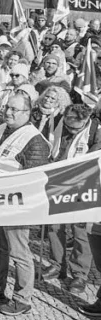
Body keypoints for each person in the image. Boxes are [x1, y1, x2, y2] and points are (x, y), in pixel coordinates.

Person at [0, 89, 51, 316]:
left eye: (15, 109)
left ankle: (22, 298)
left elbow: (35, 180)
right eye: (7, 107)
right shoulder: (2, 128)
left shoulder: (35, 140)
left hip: (16, 206)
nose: (8, 112)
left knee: (19, 253)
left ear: (28, 112)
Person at [42, 103, 100, 295]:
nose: (70, 130)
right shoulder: (56, 122)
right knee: (54, 226)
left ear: (85, 121)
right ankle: (57, 264)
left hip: (83, 184)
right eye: (68, 125)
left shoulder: (95, 130)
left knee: (80, 230)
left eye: (75, 128)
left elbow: (94, 159)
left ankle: (79, 274)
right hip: (56, 180)